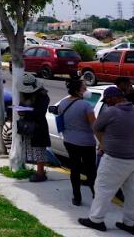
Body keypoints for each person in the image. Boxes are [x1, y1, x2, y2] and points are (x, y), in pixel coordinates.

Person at [78, 87, 134, 235]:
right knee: (132, 193)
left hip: (116, 159)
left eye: (107, 100)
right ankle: (131, 224)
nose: (106, 103)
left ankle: (96, 220)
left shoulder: (111, 112)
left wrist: (104, 143)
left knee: (103, 189)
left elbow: (96, 127)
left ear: (113, 98)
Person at [58, 78, 96, 206]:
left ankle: (77, 198)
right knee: (91, 171)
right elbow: (94, 126)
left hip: (69, 141)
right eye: (84, 88)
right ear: (77, 91)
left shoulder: (62, 103)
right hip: (86, 143)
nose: (86, 90)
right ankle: (96, 197)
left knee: (75, 169)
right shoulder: (86, 106)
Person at [18, 73, 50, 182]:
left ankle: (40, 173)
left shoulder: (42, 95)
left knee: (39, 149)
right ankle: (38, 171)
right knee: (32, 148)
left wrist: (26, 112)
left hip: (38, 125)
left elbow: (40, 112)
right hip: (28, 126)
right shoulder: (24, 94)